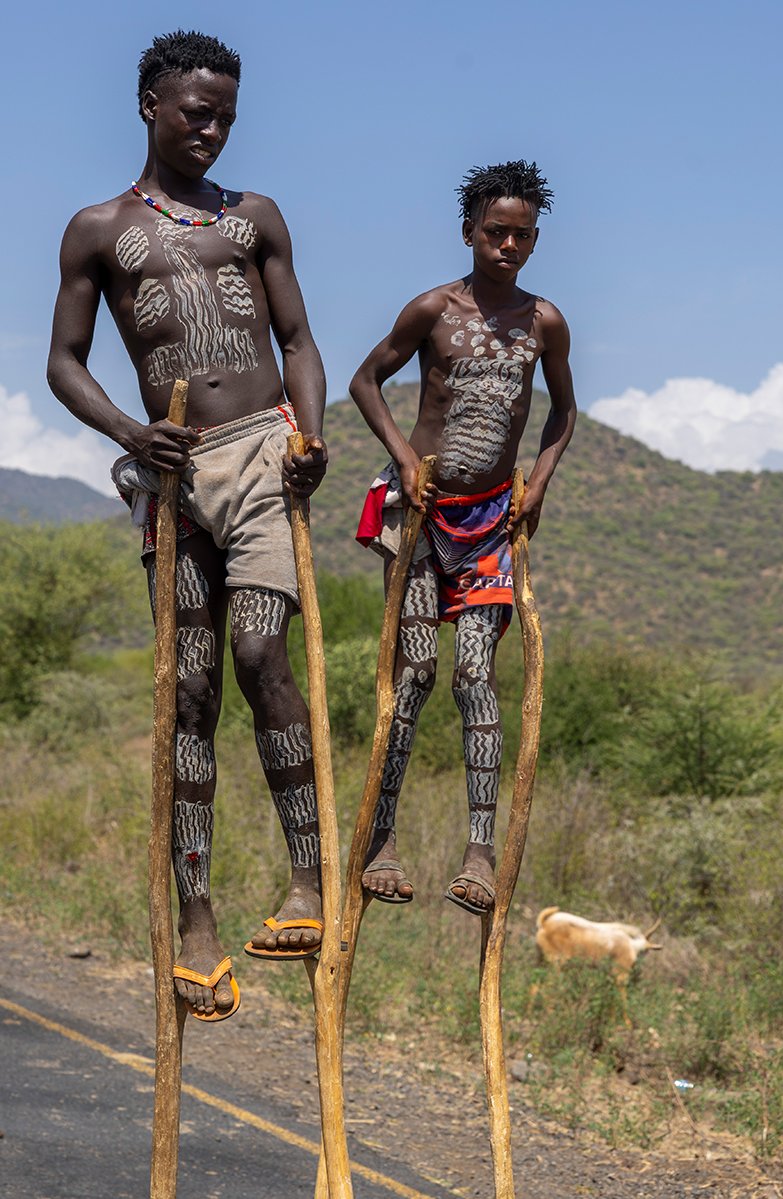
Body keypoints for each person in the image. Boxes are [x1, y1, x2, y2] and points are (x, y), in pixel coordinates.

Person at [48, 30, 328, 1021]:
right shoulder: (96, 229)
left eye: (225, 115)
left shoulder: (254, 219)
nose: (211, 128)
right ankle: (198, 919)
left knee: (260, 653)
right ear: (149, 106)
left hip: (259, 457)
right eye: (194, 111)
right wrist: (131, 429)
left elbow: (295, 337)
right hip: (168, 474)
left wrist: (311, 435)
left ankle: (310, 880)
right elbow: (66, 361)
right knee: (191, 690)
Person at [351, 160, 577, 915]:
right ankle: (380, 838)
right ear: (468, 233)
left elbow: (562, 411)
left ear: (535, 241)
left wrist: (536, 484)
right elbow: (365, 380)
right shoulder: (433, 310)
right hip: (419, 516)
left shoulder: (543, 322)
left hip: (489, 525)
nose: (507, 246)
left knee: (474, 676)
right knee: (411, 674)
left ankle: (479, 853)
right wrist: (408, 462)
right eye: (495, 233)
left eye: (522, 236)